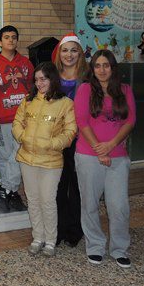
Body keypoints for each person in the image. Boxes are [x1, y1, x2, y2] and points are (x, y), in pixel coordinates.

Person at [74, 49, 136, 269]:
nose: (102, 70)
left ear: (112, 68)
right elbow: (82, 122)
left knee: (119, 206)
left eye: (106, 65)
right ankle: (95, 246)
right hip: (88, 155)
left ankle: (119, 249)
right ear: (92, 69)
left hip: (117, 156)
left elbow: (130, 121)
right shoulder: (85, 89)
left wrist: (111, 145)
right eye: (97, 66)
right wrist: (100, 150)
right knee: (89, 204)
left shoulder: (125, 90)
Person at [12, 63, 76, 257]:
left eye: (43, 79)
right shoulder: (28, 101)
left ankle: (50, 240)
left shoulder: (65, 103)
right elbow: (17, 123)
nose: (39, 83)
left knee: (47, 201)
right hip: (27, 159)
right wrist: (23, 137)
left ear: (52, 79)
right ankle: (37, 237)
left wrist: (51, 144)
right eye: (36, 80)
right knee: (32, 200)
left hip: (51, 161)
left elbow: (70, 132)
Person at [0, 25, 34, 211]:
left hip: (22, 120)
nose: (10, 40)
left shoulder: (26, 63)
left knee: (19, 155)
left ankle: (6, 189)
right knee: (4, 157)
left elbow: (33, 89)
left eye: (13, 37)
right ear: (0, 42)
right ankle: (11, 193)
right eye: (6, 37)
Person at [52, 33, 89, 247]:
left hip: (80, 139)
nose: (69, 55)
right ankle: (57, 229)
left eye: (74, 50)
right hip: (57, 140)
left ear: (80, 54)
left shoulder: (88, 78)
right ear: (59, 53)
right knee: (57, 184)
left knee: (76, 185)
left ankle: (75, 229)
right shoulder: (52, 77)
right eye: (65, 50)